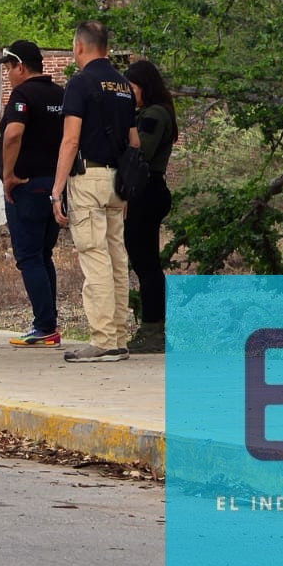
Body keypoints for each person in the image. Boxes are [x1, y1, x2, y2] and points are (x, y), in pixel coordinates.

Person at [50, 20, 138, 363]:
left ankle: (102, 340)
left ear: (79, 47)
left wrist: (57, 191)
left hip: (88, 179)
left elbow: (70, 140)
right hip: (118, 181)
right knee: (117, 258)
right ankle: (118, 337)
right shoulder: (123, 86)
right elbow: (133, 141)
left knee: (95, 258)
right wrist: (128, 188)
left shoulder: (80, 83)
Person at [0, 40, 66, 348]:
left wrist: (8, 175)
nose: (8, 74)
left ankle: (45, 325)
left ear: (20, 66)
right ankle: (48, 322)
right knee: (43, 254)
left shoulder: (22, 95)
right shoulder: (61, 95)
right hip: (56, 186)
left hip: (27, 187)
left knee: (27, 255)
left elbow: (13, 134)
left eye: (9, 68)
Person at [122, 59, 177, 354]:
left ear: (144, 87)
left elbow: (141, 150)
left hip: (147, 190)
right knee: (144, 263)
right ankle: (152, 325)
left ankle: (154, 328)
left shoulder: (154, 115)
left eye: (131, 88)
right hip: (144, 191)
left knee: (147, 265)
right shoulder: (147, 112)